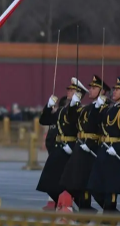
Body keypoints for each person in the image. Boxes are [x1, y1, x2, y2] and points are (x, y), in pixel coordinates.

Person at [60, 75, 110, 214]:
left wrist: (90, 143)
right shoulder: (89, 107)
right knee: (71, 182)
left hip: (91, 148)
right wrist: (73, 104)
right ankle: (86, 210)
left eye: (94, 88)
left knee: (84, 184)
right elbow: (72, 119)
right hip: (80, 147)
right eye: (91, 87)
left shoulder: (103, 108)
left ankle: (101, 210)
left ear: (103, 91)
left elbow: (95, 124)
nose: (90, 90)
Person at [36, 77, 88, 209]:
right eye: (69, 89)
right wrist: (48, 106)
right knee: (48, 182)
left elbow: (81, 129)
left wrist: (72, 146)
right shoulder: (61, 110)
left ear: (78, 94)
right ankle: (63, 206)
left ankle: (81, 208)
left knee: (70, 184)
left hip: (70, 149)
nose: (68, 91)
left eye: (72, 90)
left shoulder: (80, 111)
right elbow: (44, 120)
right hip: (58, 148)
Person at [87, 77, 120, 215]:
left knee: (111, 190)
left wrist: (118, 147)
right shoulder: (109, 109)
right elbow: (93, 123)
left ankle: (109, 217)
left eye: (118, 90)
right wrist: (97, 107)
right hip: (104, 150)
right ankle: (112, 213)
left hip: (115, 153)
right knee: (94, 186)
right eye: (114, 89)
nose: (114, 92)